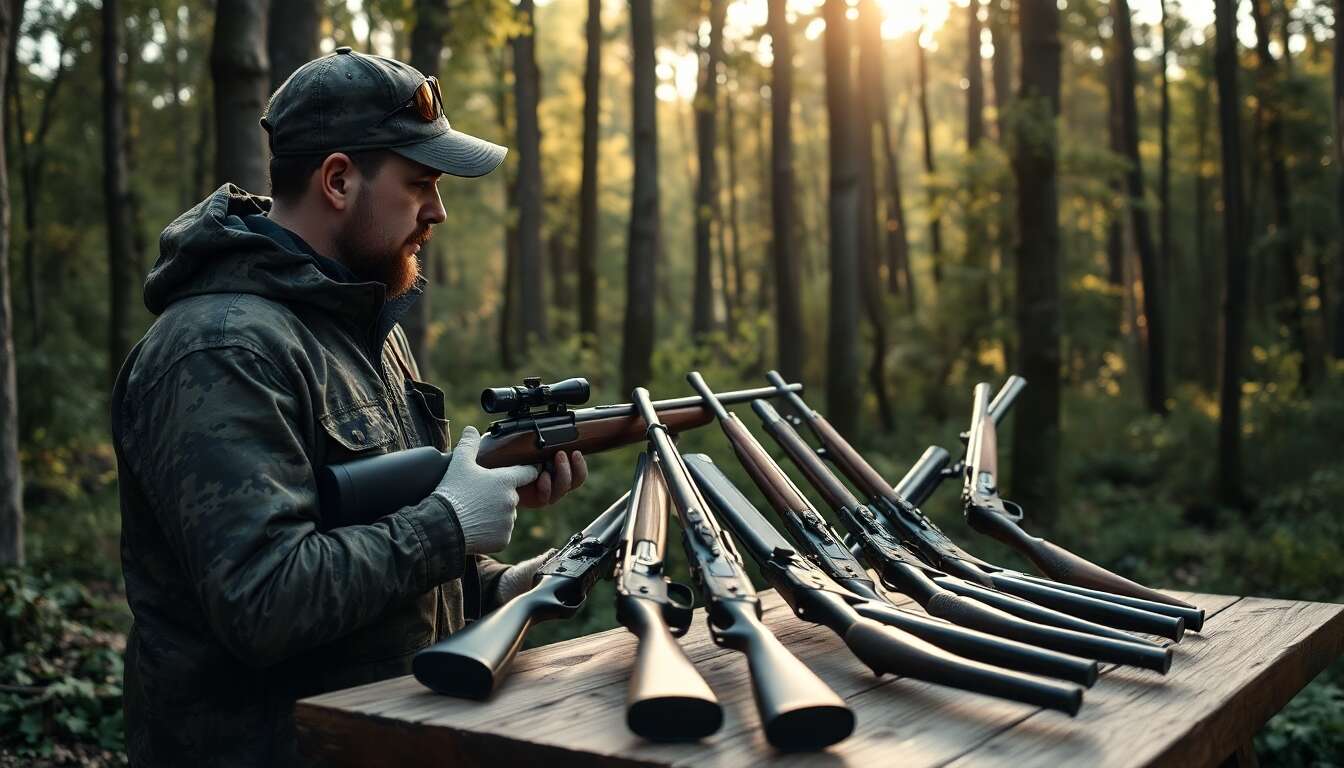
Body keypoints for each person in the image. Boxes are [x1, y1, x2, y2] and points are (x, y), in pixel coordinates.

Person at [109, 47, 586, 766]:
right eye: (420, 182)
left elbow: (365, 547)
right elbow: (263, 600)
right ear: (338, 180)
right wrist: (447, 526)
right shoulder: (218, 350)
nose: (439, 210)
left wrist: (494, 584)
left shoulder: (365, 329)